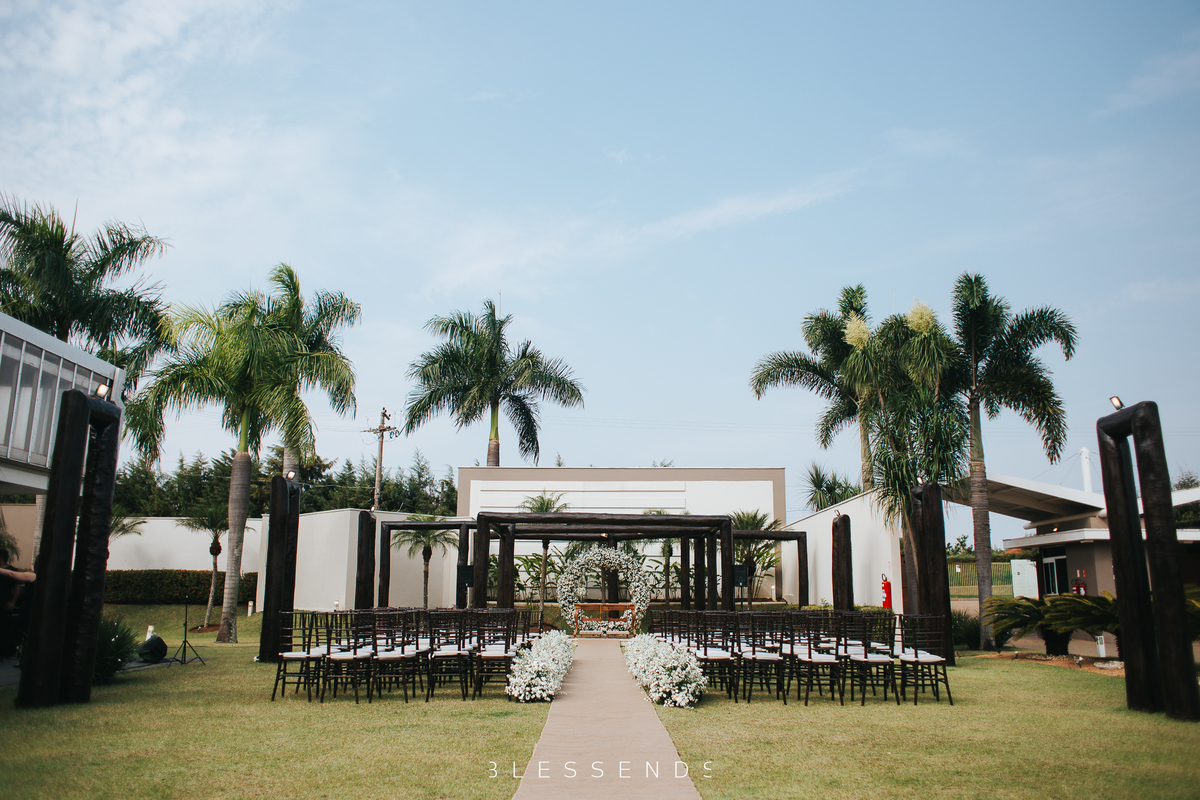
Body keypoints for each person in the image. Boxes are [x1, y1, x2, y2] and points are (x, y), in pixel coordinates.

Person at [0, 549, 34, 658]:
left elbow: (17, 587)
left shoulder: (13, 571)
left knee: (4, 627)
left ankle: (6, 651)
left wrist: (13, 602)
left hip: (4, 601)